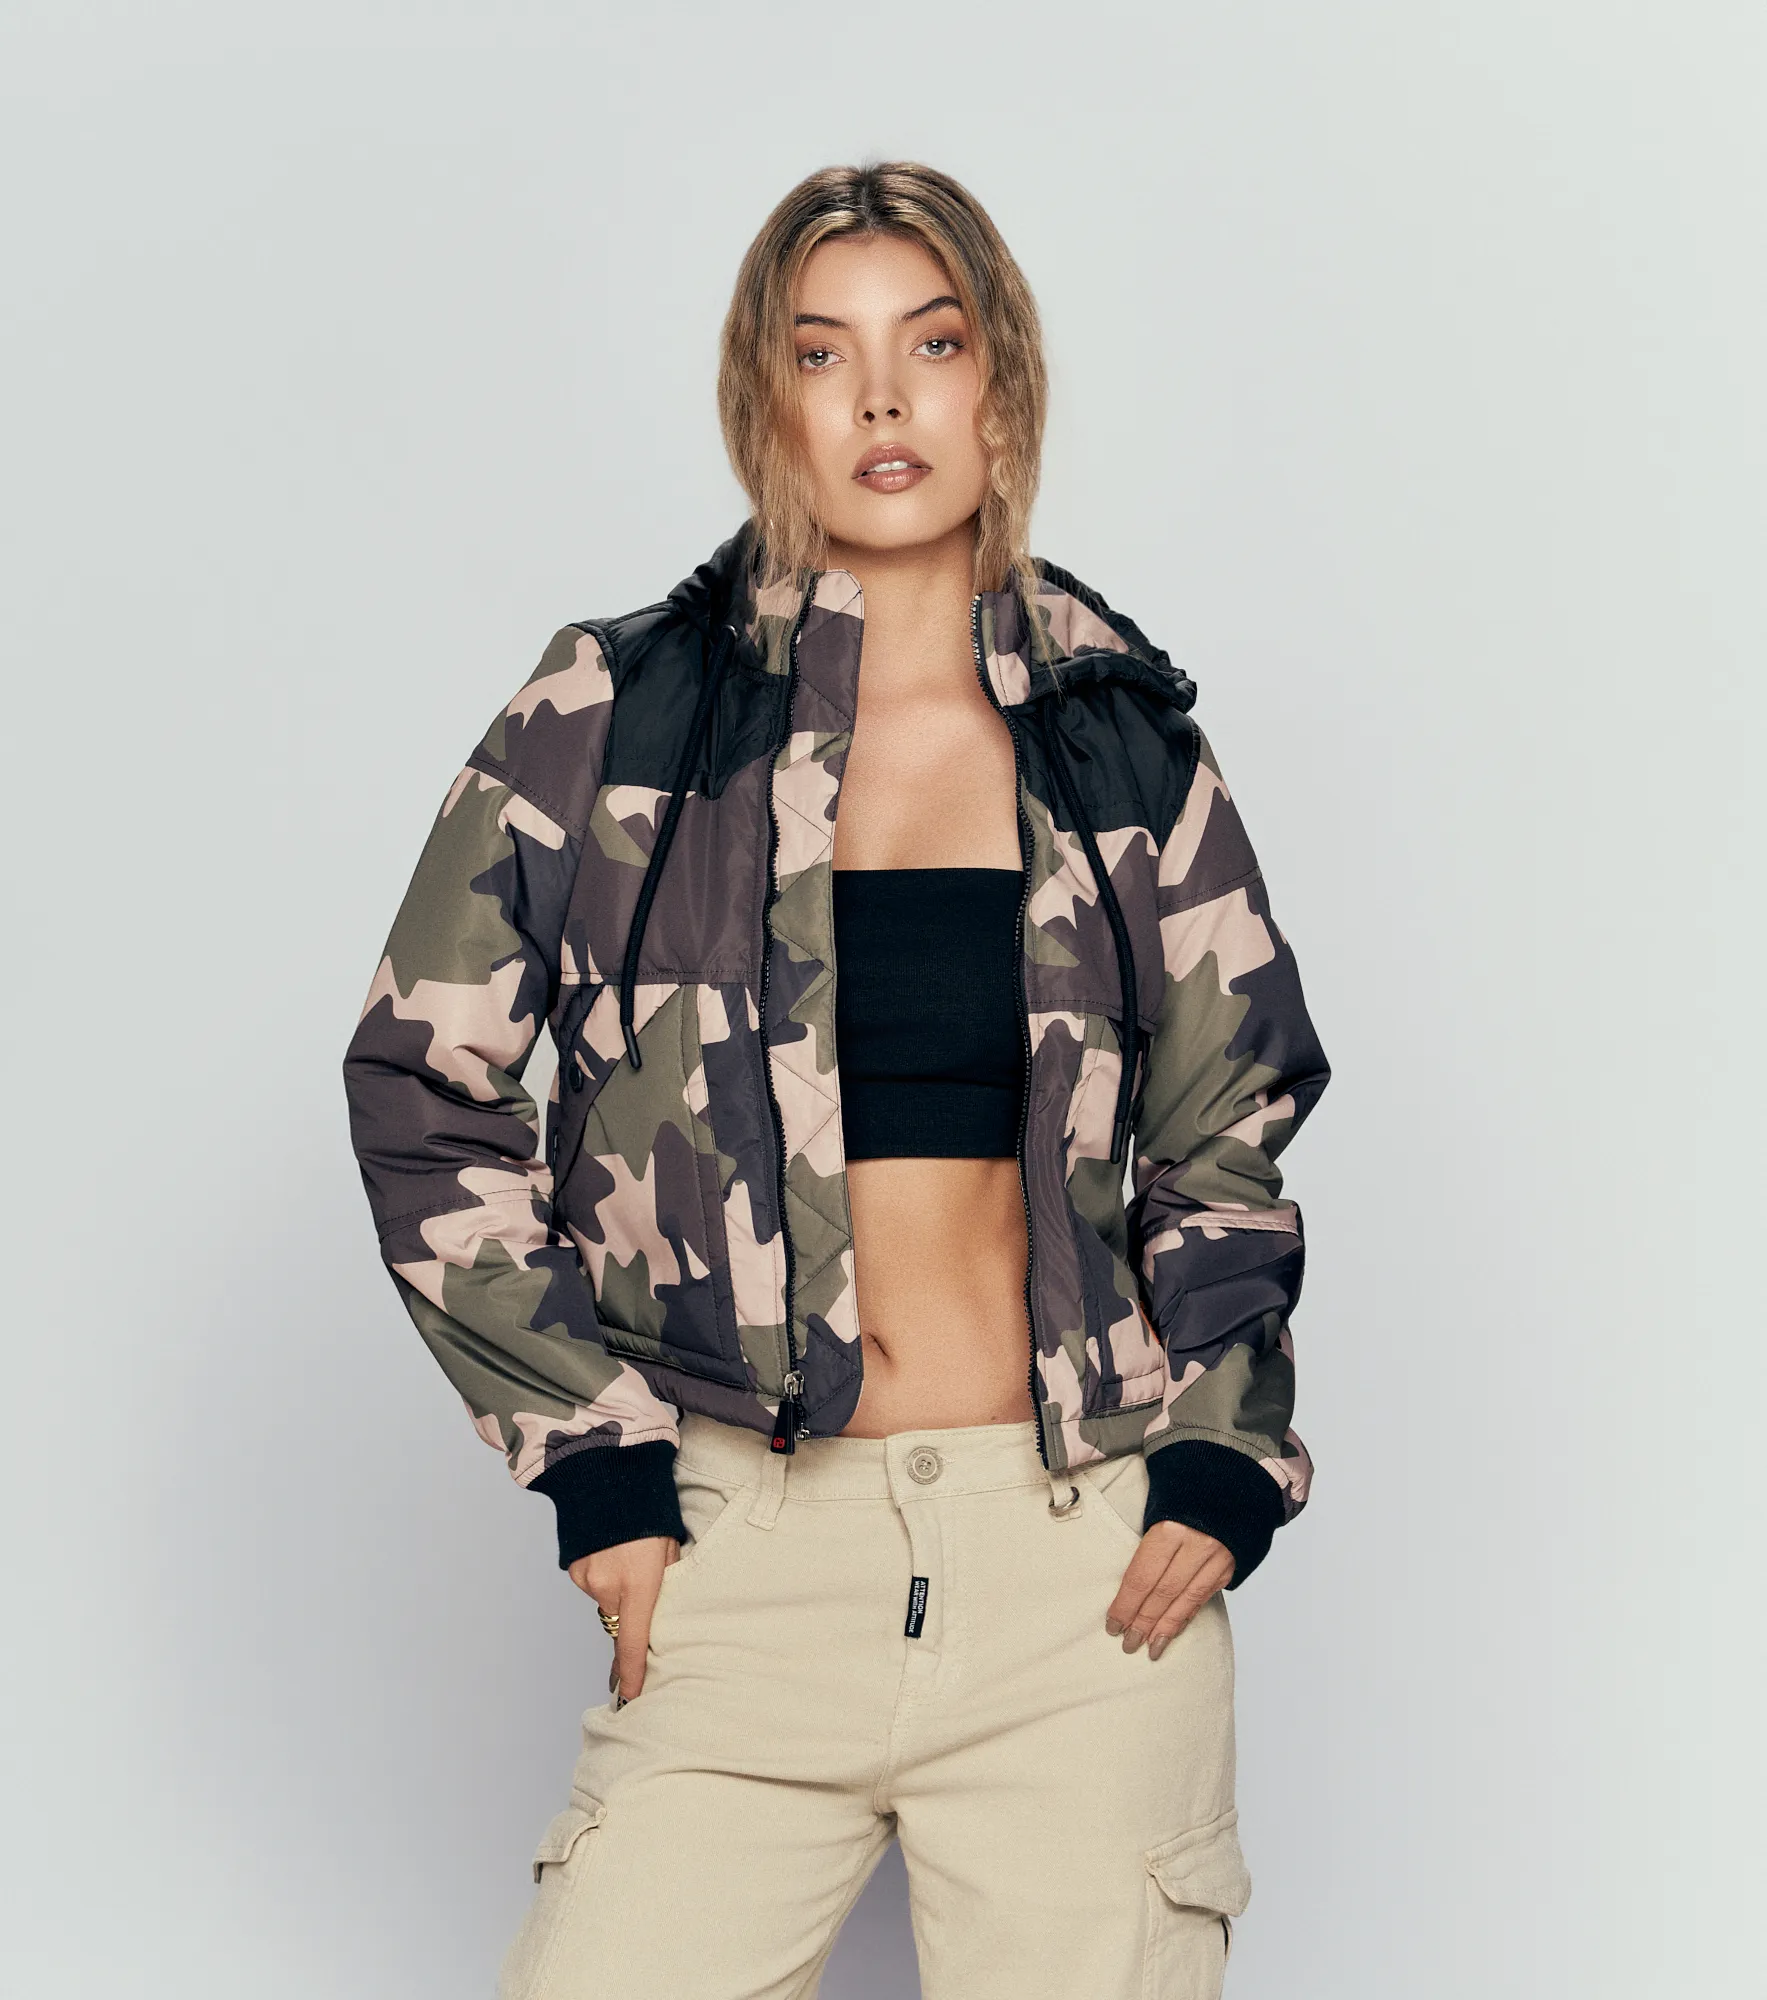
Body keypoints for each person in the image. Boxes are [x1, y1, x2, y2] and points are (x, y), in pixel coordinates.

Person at [343, 160, 1330, 2000]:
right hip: (743, 1552)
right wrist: (596, 1463)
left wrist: (1222, 1451)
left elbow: (1227, 1126)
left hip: (1079, 1580)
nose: (882, 399)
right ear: (763, 399)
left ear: (1001, 384)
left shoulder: (1117, 738)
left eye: (931, 345)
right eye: (822, 354)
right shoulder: (610, 714)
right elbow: (425, 1078)